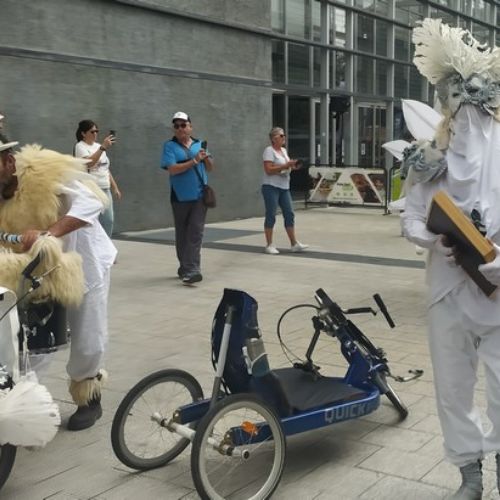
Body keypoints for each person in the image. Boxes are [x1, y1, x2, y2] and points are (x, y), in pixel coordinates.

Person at [402, 19, 500, 499]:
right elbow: (411, 217)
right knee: (453, 388)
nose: (468, 122)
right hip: (447, 292)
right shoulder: (429, 161)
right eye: (459, 110)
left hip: (498, 297)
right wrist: (430, 239)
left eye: (478, 111)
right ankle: (470, 474)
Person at [0, 133, 117, 431]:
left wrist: (49, 234)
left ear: (8, 161)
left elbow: (91, 202)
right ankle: (23, 405)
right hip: (34, 272)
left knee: (88, 338)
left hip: (83, 263)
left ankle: (89, 396)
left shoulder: (44, 172)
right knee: (28, 341)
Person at [160, 111, 214, 285]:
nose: (180, 128)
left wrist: (206, 158)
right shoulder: (169, 146)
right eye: (176, 126)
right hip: (180, 196)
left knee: (195, 232)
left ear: (190, 127)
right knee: (182, 234)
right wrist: (194, 161)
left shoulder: (199, 144)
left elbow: (210, 168)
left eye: (183, 125)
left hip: (199, 196)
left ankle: (192, 269)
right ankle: (184, 267)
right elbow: (172, 169)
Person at [261, 127, 308, 255]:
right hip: (271, 186)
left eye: (284, 135)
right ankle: (269, 244)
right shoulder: (269, 150)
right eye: (281, 135)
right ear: (273, 138)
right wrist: (285, 165)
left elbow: (285, 167)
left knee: (289, 213)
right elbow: (268, 170)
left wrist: (292, 165)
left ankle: (294, 243)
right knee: (271, 214)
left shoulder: (283, 150)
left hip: (284, 186)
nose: (284, 137)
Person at [74, 120, 121, 237]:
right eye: (92, 131)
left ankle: (105, 245)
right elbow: (89, 163)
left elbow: (106, 168)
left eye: (97, 131)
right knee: (93, 222)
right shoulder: (80, 146)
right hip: (92, 189)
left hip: (105, 188)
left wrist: (115, 187)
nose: (95, 134)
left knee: (108, 220)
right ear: (83, 133)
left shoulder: (98, 146)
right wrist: (103, 147)